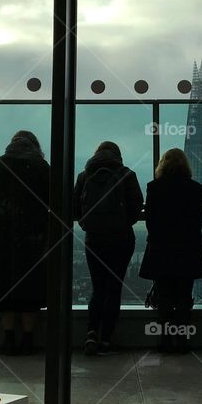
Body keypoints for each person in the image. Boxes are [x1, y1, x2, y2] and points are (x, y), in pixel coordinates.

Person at [0, 130, 50, 355]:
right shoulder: (42, 167)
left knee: (4, 287)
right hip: (34, 237)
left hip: (1, 237)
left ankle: (9, 338)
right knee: (30, 288)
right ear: (35, 145)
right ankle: (28, 339)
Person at [73, 141, 143, 355]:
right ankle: (106, 340)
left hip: (94, 239)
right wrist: (122, 224)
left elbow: (75, 209)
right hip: (121, 239)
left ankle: (91, 333)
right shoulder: (127, 174)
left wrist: (87, 224)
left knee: (98, 288)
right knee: (114, 288)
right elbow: (137, 206)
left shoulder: (84, 176)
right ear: (117, 155)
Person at [139, 148, 202, 353]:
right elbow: (198, 221)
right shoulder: (195, 188)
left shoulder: (154, 187)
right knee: (184, 296)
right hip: (187, 248)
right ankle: (182, 341)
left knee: (165, 296)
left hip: (161, 249)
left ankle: (165, 341)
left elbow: (150, 220)